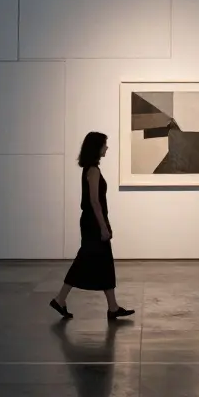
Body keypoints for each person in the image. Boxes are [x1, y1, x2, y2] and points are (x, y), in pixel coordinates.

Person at [50, 132, 136, 322]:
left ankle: (112, 307)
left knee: (103, 262)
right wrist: (103, 227)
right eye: (105, 145)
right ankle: (60, 298)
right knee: (85, 260)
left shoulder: (90, 169)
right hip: (93, 223)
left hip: (92, 221)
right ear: (96, 147)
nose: (107, 148)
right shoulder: (94, 171)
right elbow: (94, 202)